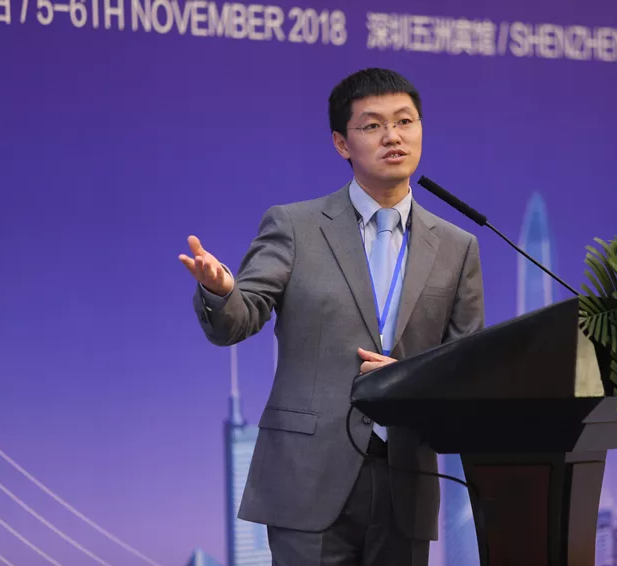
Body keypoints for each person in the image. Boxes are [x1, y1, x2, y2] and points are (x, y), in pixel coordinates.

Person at [179, 68, 484, 566]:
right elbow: (239, 318)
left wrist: (413, 382)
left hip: (406, 481)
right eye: (373, 125)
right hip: (307, 477)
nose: (393, 136)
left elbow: (466, 365)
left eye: (405, 121)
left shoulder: (457, 246)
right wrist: (221, 291)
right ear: (342, 143)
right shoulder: (295, 226)